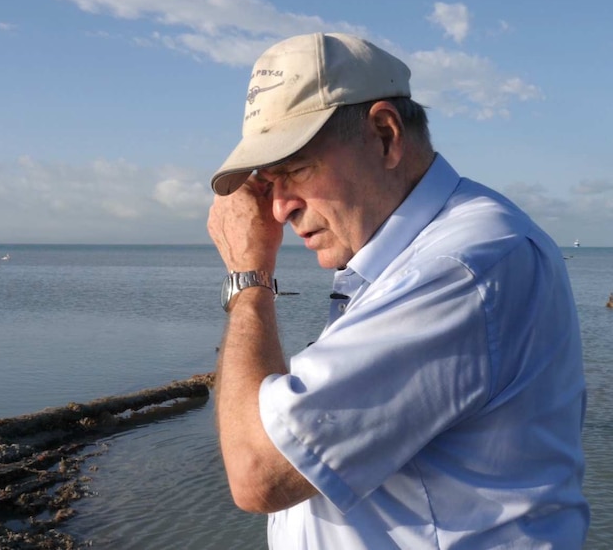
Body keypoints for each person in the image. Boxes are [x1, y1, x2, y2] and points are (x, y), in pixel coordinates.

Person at [207, 32, 589, 549]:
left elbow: (258, 472)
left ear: (386, 136)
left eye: (294, 169)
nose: (279, 208)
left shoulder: (460, 267)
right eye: (267, 181)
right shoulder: (402, 259)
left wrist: (250, 277)